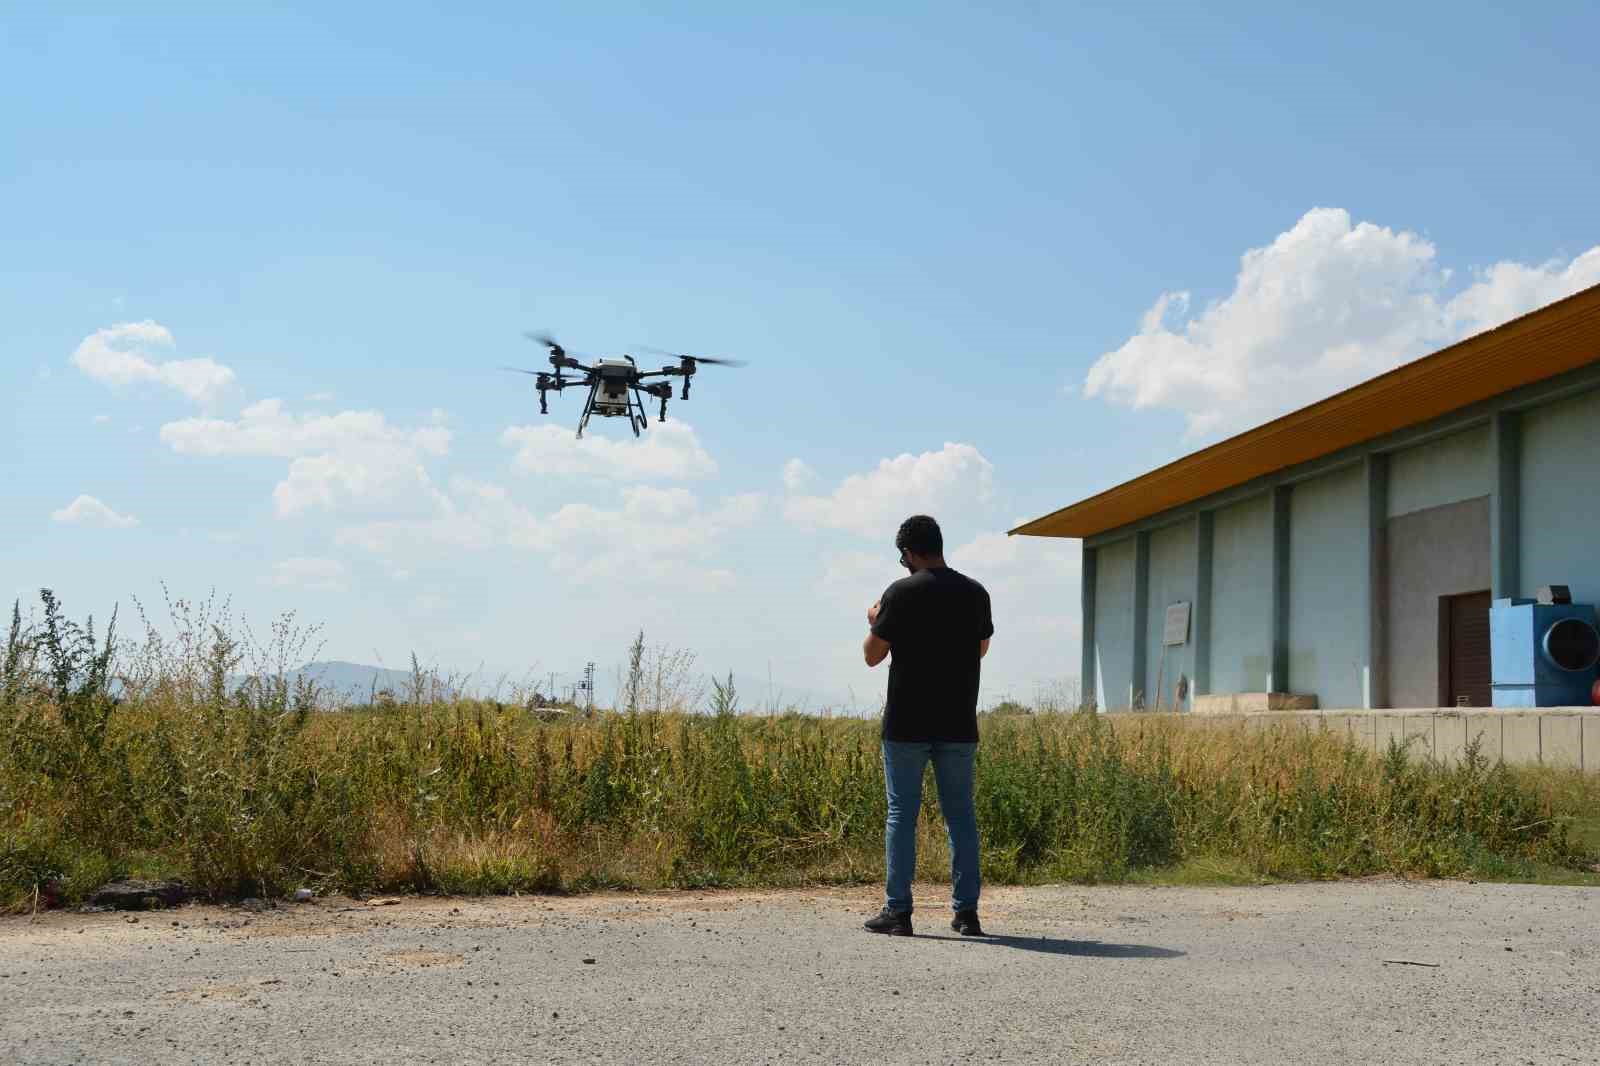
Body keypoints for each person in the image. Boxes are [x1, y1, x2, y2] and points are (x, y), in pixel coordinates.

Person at [860, 514, 993, 937]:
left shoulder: (898, 594)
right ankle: (966, 913)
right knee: (960, 816)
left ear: (907, 553)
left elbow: (871, 655)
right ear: (939, 544)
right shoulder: (976, 593)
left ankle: (898, 911)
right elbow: (981, 648)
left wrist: (875, 619)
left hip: (907, 723)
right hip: (957, 721)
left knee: (902, 813)